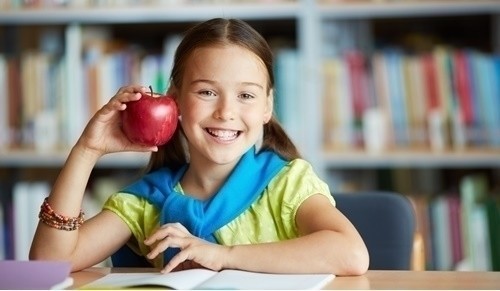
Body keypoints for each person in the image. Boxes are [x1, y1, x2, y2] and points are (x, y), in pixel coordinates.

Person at [30, 18, 369, 276]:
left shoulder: (288, 184)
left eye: (246, 95)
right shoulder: (144, 201)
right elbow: (49, 264)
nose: (225, 112)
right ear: (174, 101)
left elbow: (351, 254)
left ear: (267, 107)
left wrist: (222, 256)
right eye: (206, 92)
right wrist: (88, 149)